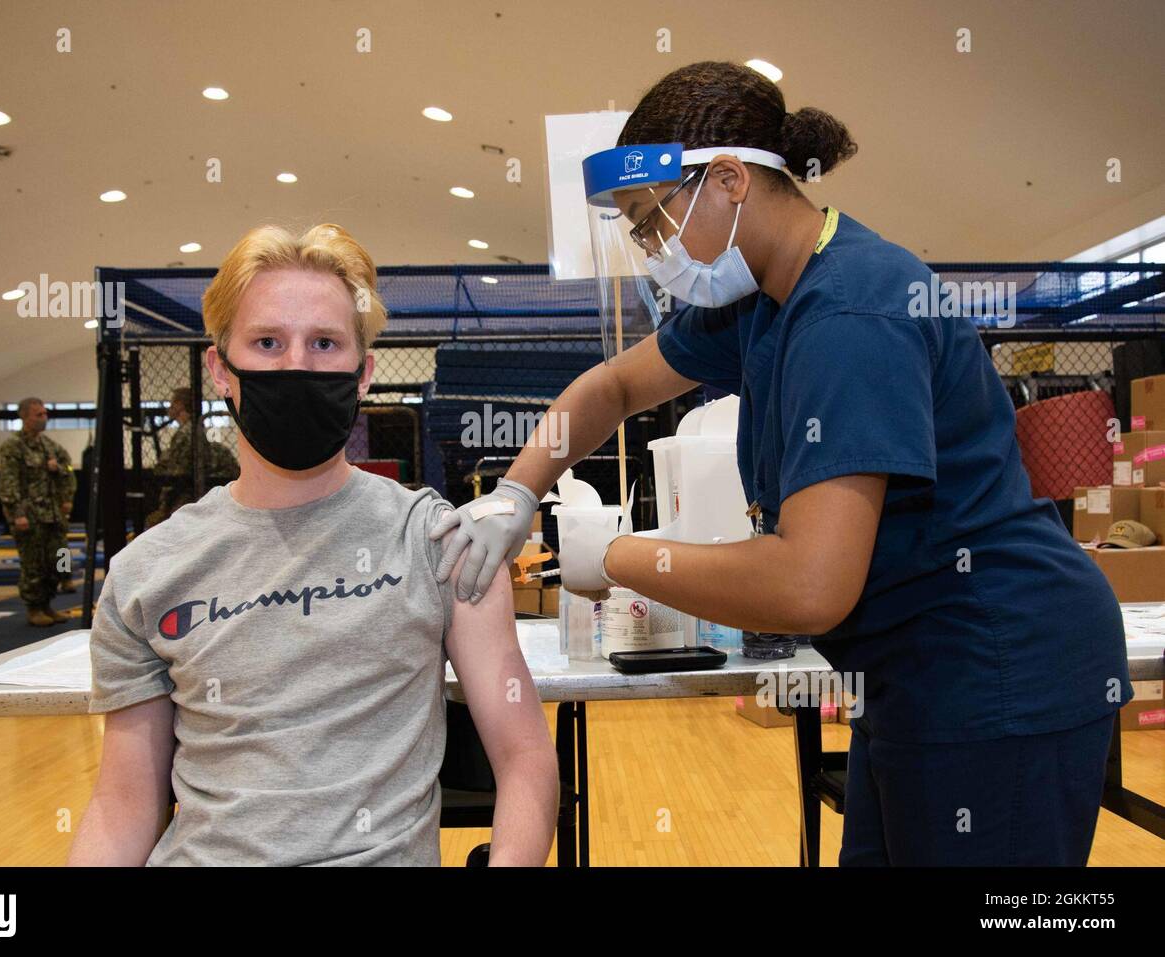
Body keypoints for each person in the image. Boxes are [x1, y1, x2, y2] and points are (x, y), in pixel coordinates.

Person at [434, 61, 1133, 866]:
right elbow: (616, 384)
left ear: (728, 180)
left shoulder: (848, 313)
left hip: (999, 671)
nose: (653, 249)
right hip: (914, 676)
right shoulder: (767, 298)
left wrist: (614, 555)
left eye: (653, 220)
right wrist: (519, 492)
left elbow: (810, 583)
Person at [69, 223, 558, 866]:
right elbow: (123, 804)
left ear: (362, 374)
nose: (295, 364)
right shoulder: (146, 573)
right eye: (267, 342)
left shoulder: (437, 539)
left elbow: (525, 761)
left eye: (324, 343)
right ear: (221, 368)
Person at [0, 398, 76, 626]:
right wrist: (17, 513)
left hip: (52, 513)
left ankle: (48, 604)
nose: (44, 418)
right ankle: (34, 607)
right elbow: (8, 481)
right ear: (24, 417)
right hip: (30, 515)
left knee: (57, 560)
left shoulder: (50, 446)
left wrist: (59, 470)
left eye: (45, 414)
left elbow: (69, 467)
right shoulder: (13, 446)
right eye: (38, 415)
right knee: (33, 563)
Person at [146, 386, 239, 526]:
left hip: (186, 496)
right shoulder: (194, 429)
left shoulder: (185, 433)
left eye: (173, 403)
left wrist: (164, 509)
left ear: (180, 405)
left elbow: (177, 475)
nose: (170, 407)